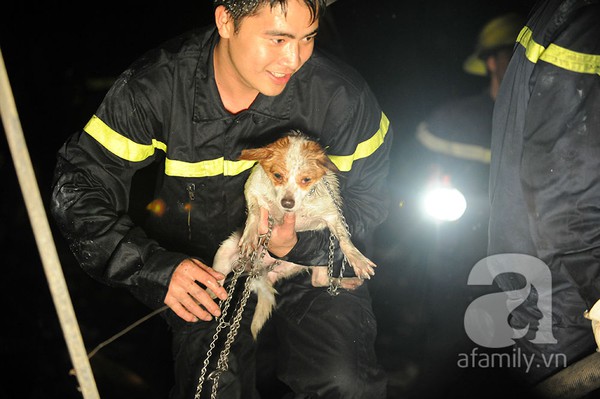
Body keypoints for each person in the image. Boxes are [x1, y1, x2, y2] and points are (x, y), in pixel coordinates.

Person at [49, 0, 392, 398]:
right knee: (213, 387)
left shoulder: (341, 99)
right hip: (210, 268)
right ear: (226, 20)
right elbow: (79, 188)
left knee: (344, 382)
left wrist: (304, 244)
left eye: (307, 38)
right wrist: (157, 269)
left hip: (316, 263)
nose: (294, 58)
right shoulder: (157, 89)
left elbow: (370, 202)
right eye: (278, 38)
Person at [488, 0, 600, 387]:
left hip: (553, 275)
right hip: (568, 285)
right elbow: (567, 187)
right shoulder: (587, 26)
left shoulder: (566, 14)